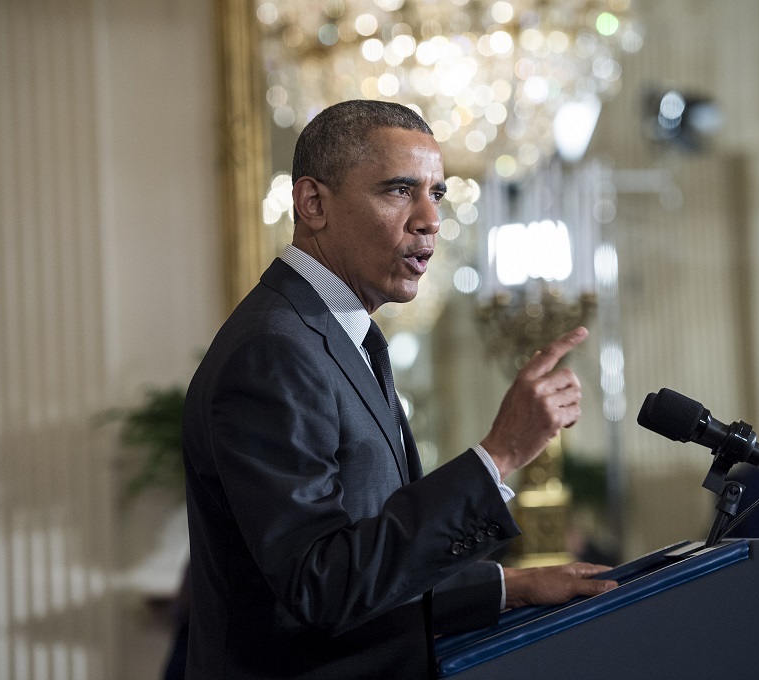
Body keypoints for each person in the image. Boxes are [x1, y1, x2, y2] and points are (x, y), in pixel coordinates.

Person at [181, 99, 616, 680]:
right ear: (313, 203)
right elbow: (322, 584)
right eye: (397, 190)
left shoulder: (338, 334)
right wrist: (501, 454)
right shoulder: (275, 350)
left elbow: (368, 566)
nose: (430, 219)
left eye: (435, 193)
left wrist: (508, 588)